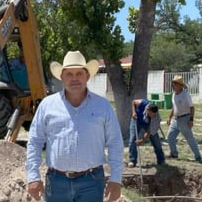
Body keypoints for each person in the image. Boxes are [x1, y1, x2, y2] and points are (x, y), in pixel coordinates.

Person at [25, 51, 124, 202]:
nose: (74, 78)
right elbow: (35, 141)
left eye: (79, 73)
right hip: (57, 182)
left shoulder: (102, 106)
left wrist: (116, 179)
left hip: (91, 182)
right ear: (62, 77)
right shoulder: (47, 105)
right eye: (69, 74)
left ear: (87, 76)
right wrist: (33, 176)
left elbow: (115, 143)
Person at [166, 75, 202, 162]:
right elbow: (174, 108)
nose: (173, 85)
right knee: (170, 137)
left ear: (179, 85)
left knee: (189, 139)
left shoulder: (185, 94)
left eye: (174, 84)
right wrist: (170, 117)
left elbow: (192, 108)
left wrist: (191, 120)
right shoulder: (174, 95)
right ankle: (174, 154)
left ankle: (198, 157)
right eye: (172, 84)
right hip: (176, 119)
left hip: (184, 119)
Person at [127, 98, 149, 168]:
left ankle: (161, 160)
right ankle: (132, 160)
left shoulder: (154, 117)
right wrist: (134, 112)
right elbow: (133, 101)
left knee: (155, 139)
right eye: (149, 114)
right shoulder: (143, 103)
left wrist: (143, 140)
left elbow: (149, 131)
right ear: (148, 110)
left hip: (146, 123)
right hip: (136, 120)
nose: (150, 115)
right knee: (132, 139)